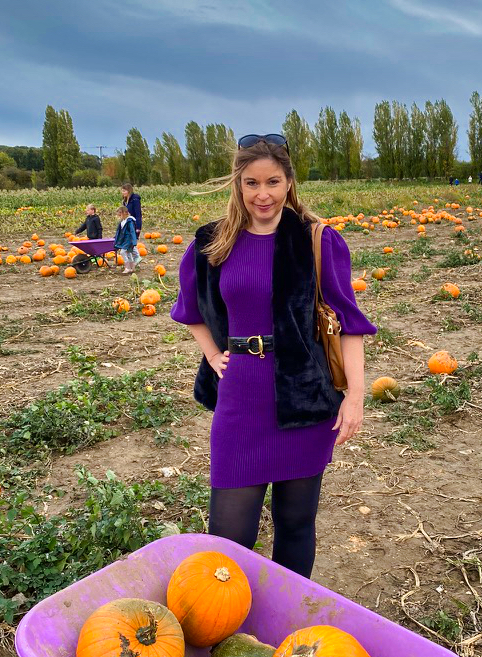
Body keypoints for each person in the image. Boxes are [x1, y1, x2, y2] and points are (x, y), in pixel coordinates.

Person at [171, 134, 377, 579]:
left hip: (303, 399)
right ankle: (225, 630)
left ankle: (288, 621)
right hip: (241, 398)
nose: (262, 194)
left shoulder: (317, 241)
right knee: (227, 539)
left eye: (272, 182)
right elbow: (189, 311)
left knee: (296, 526)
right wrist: (212, 354)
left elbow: (351, 324)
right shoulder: (212, 243)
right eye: (251, 183)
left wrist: (356, 395)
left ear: (289, 183)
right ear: (238, 185)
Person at [114, 205, 140, 274]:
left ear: (125, 213)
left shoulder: (129, 221)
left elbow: (132, 231)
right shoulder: (122, 222)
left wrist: (134, 241)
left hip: (129, 240)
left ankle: (127, 267)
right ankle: (132, 268)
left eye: (120, 213)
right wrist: (115, 238)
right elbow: (119, 231)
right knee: (128, 253)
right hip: (124, 240)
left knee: (123, 252)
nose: (119, 215)